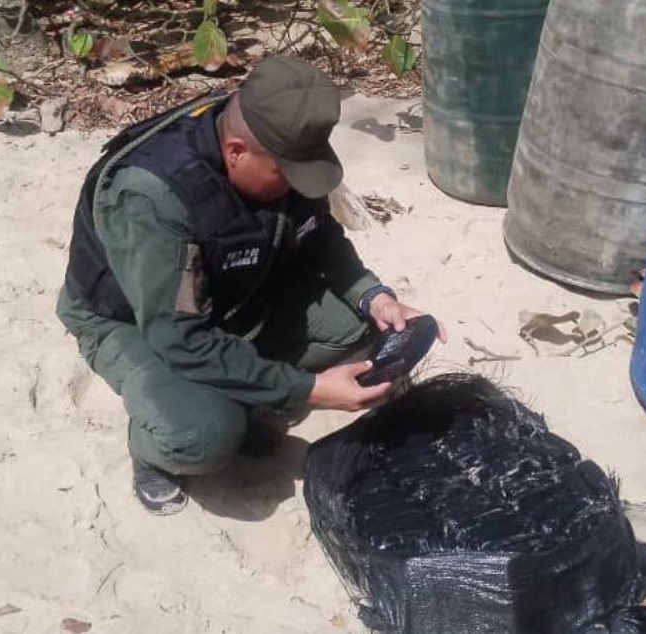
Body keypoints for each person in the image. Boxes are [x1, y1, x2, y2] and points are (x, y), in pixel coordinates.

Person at [57, 55, 445, 515]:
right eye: (288, 174)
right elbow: (180, 339)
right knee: (205, 436)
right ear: (236, 151)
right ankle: (151, 451)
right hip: (130, 319)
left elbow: (318, 234)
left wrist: (372, 295)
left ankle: (244, 393)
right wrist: (307, 390)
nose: (298, 186)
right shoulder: (153, 197)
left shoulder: (280, 144)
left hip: (228, 290)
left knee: (360, 331)